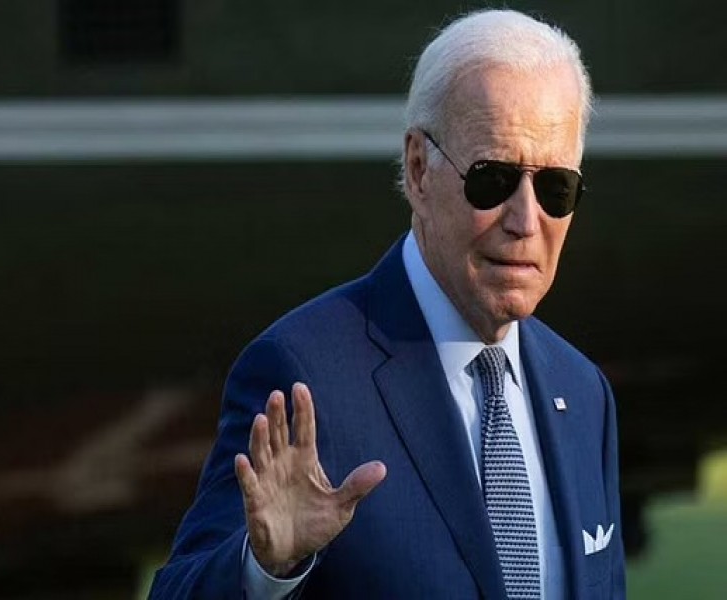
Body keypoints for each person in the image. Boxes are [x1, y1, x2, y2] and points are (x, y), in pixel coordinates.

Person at [149, 8, 625, 599]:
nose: (526, 221)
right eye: (493, 180)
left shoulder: (583, 393)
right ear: (419, 170)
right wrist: (264, 570)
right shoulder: (303, 374)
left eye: (556, 188)